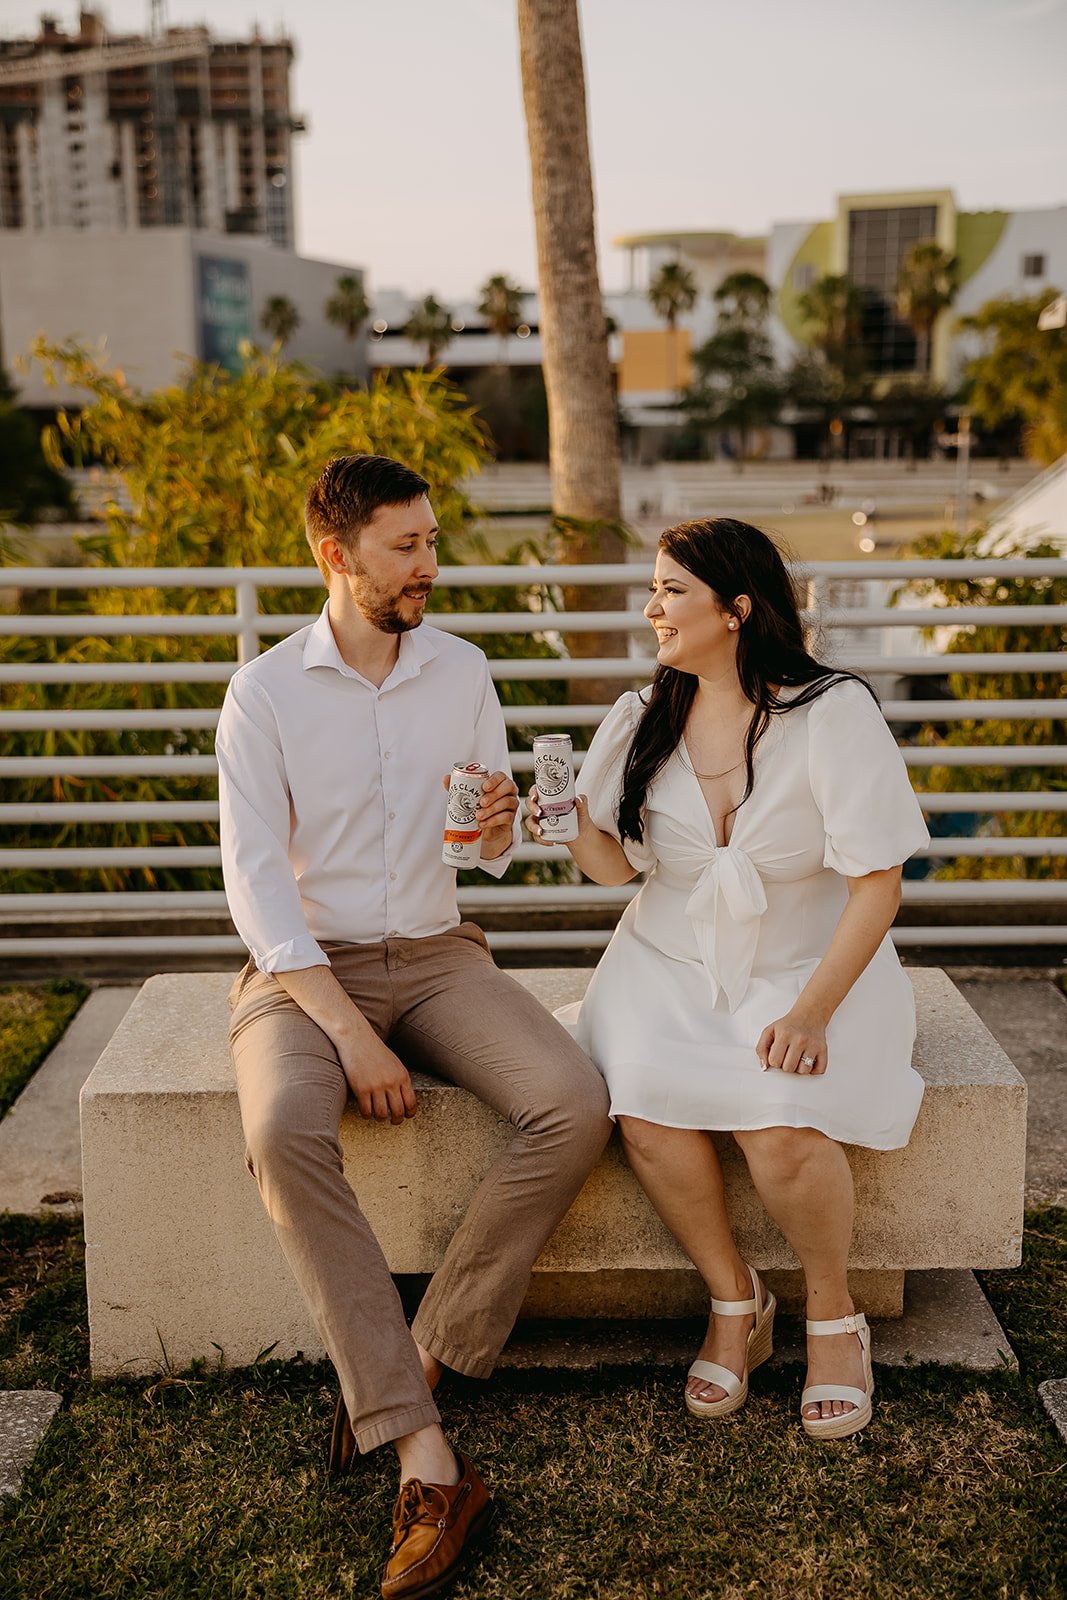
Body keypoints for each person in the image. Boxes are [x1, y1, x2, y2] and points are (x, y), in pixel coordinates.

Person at [216, 453, 611, 1597]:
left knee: (571, 1099)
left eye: (433, 541)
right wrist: (345, 1030)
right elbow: (258, 888)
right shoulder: (266, 693)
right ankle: (421, 1450)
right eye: (407, 547)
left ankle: (424, 1353)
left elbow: (481, 847)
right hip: (304, 971)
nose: (430, 564)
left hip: (440, 952)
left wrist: (497, 827)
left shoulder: (463, 670)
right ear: (337, 557)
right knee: (287, 1127)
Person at [526, 517, 929, 1443]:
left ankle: (834, 1318)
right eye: (654, 587)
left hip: (808, 970)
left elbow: (878, 883)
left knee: (781, 1128)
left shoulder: (830, 713)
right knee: (647, 1114)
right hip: (662, 967)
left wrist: (814, 1012)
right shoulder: (641, 716)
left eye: (671, 589)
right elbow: (614, 870)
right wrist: (564, 823)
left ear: (736, 609)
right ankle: (734, 1301)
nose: (651, 606)